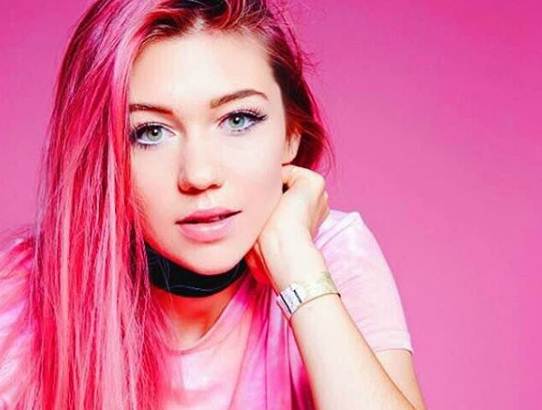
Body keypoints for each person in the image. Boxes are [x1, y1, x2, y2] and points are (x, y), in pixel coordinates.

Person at [0, 0, 426, 409]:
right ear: (101, 155)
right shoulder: (24, 290)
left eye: (238, 120)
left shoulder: (330, 255)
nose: (199, 175)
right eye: (150, 132)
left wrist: (299, 272)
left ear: (291, 134)